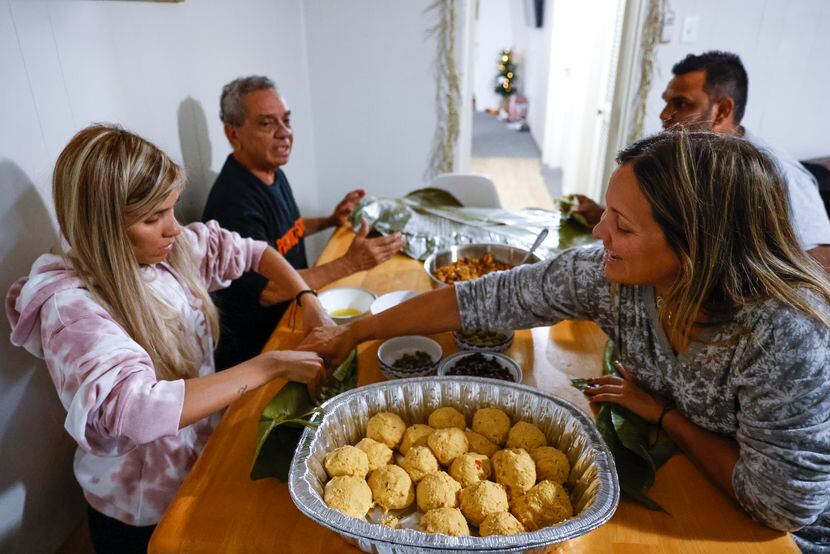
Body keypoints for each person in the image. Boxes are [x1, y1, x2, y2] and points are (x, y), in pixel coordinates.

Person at [299, 131, 830, 551]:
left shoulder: (783, 335)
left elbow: (780, 503)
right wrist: (355, 331)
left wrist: (669, 418)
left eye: (621, 226)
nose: (600, 235)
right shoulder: (609, 276)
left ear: (696, 249)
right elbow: (485, 298)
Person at [5, 125, 331, 553]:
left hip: (196, 469)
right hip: (139, 509)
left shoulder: (168, 255)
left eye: (172, 210)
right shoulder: (71, 311)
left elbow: (254, 251)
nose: (174, 229)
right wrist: (269, 365)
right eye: (152, 218)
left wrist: (308, 299)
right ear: (103, 226)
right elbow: (134, 412)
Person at [202, 75, 405, 369]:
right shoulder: (232, 202)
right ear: (233, 134)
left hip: (298, 312)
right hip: (263, 348)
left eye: (286, 120)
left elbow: (285, 230)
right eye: (267, 123)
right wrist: (350, 263)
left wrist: (329, 220)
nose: (284, 133)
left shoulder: (270, 170)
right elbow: (270, 291)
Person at [573, 51, 830, 272]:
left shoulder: (779, 173)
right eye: (667, 102)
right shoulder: (687, 160)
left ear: (722, 111)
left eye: (681, 104)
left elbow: (823, 262)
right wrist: (611, 218)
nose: (665, 115)